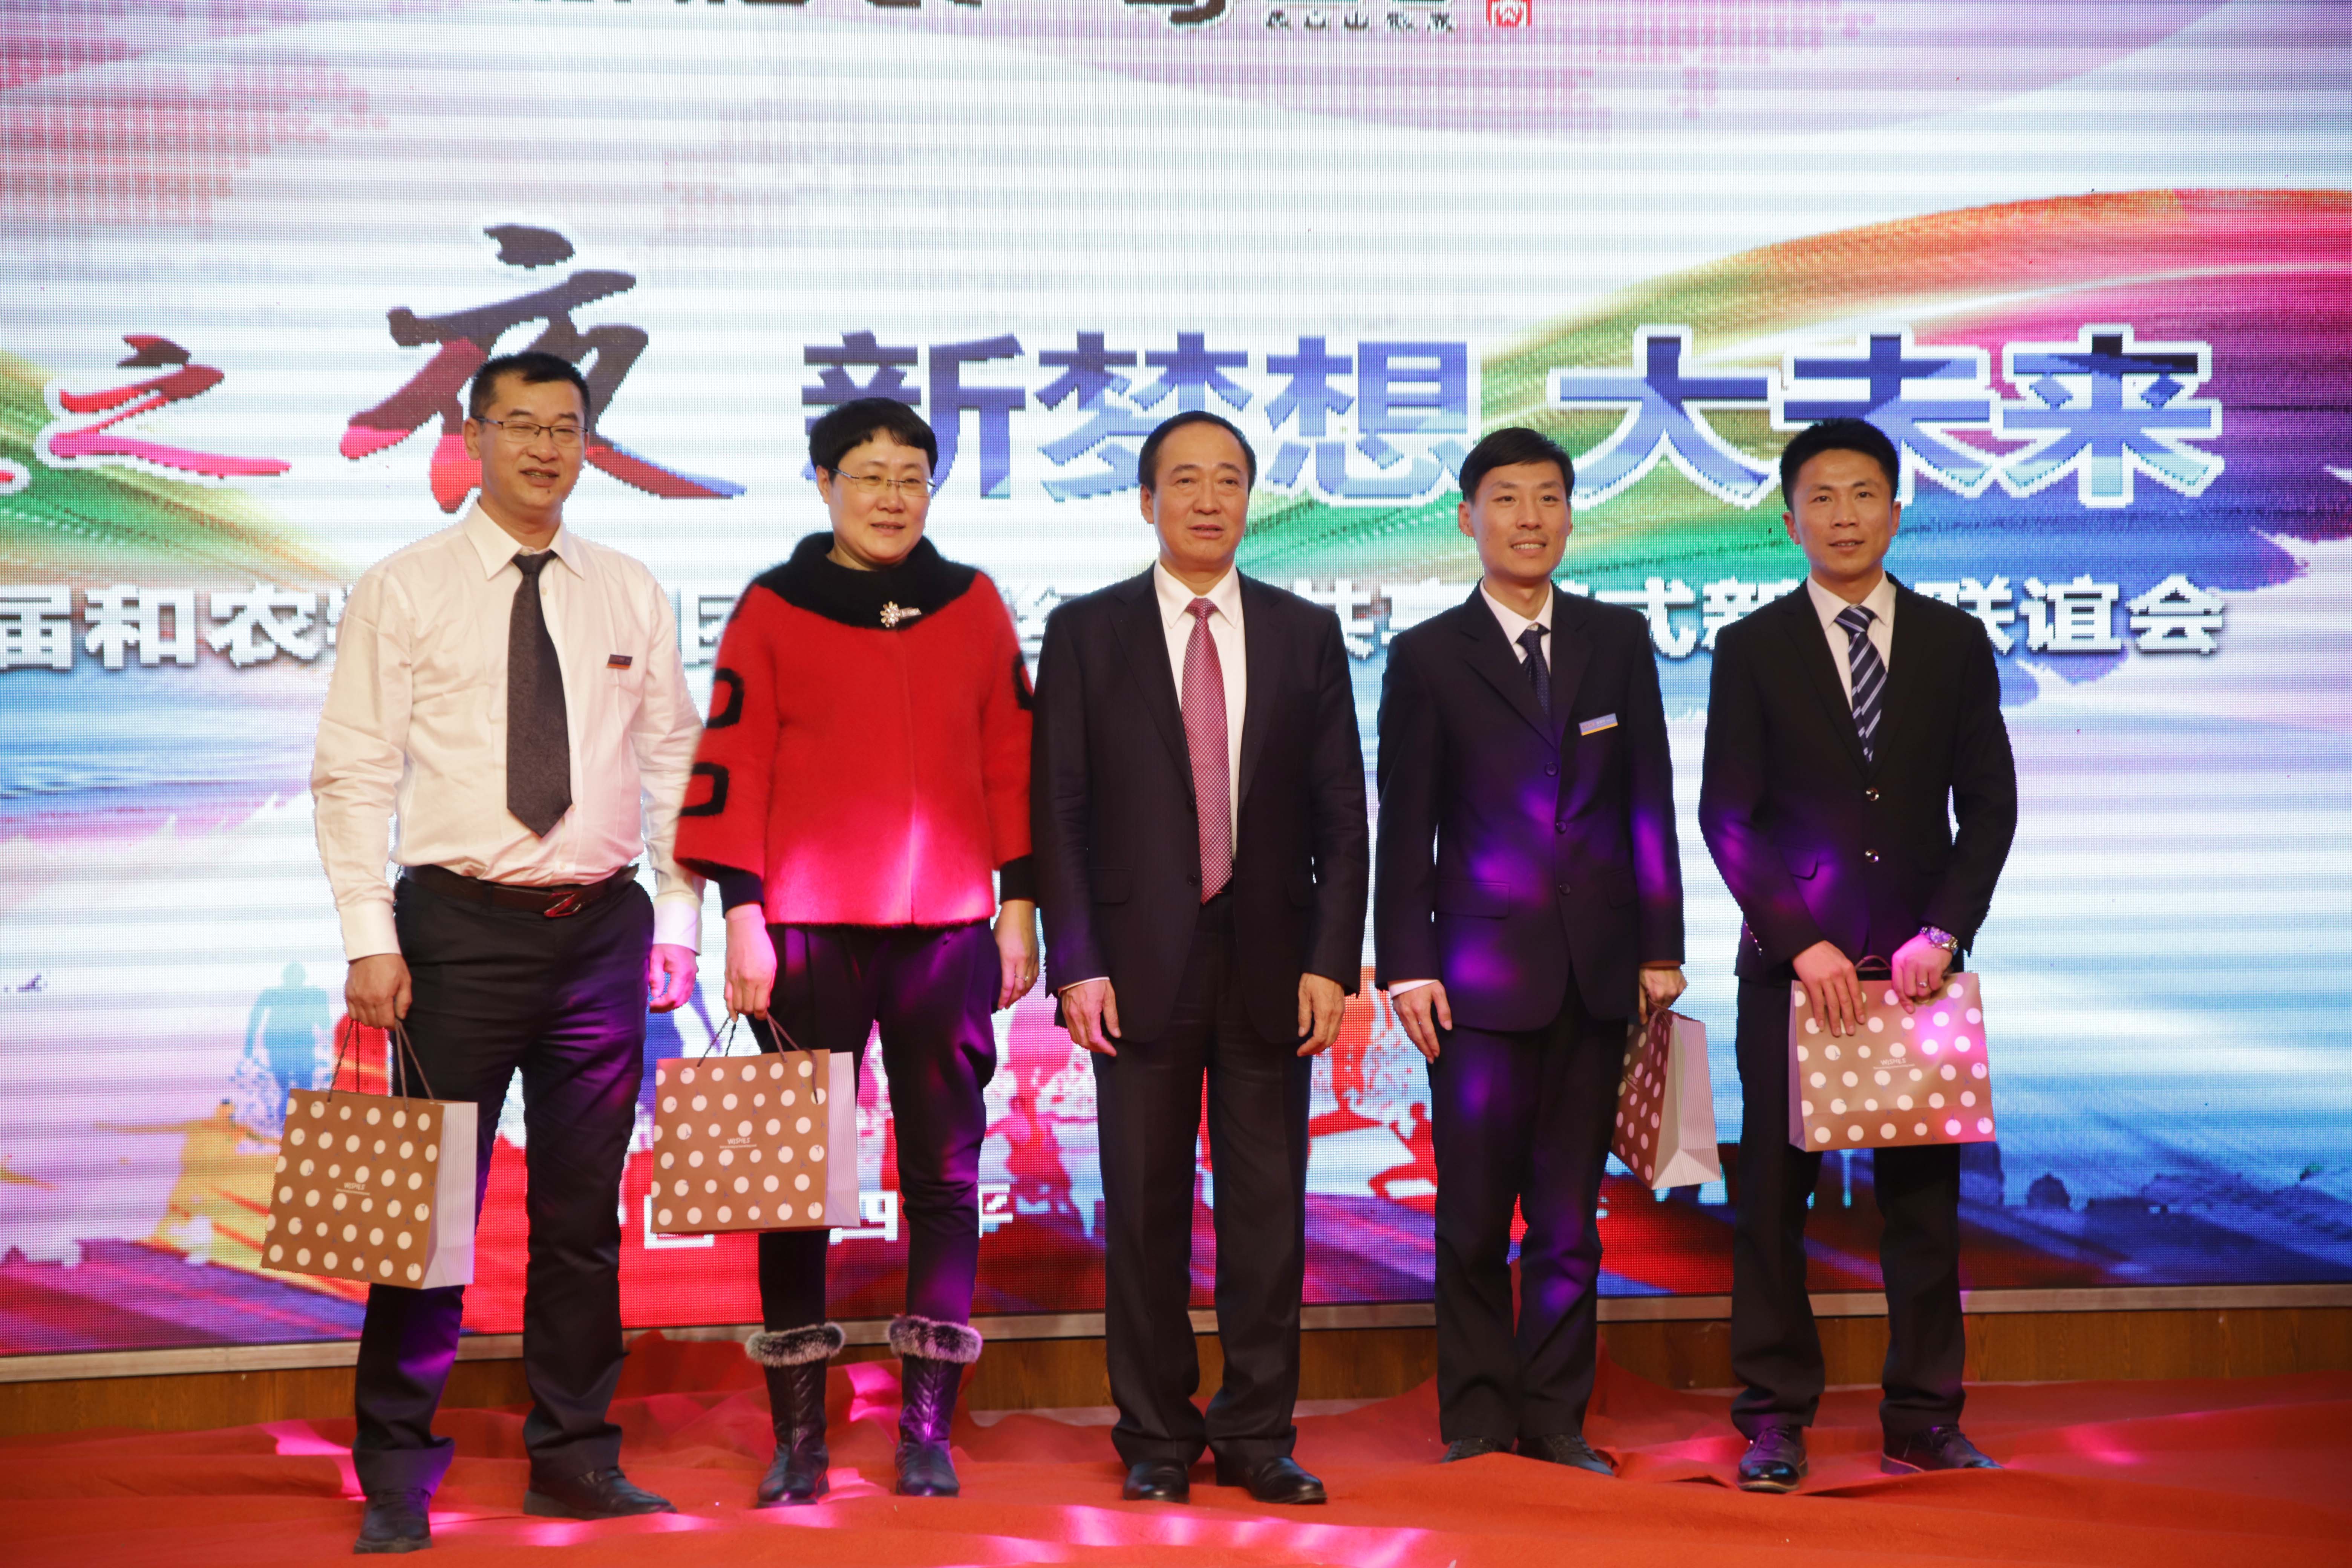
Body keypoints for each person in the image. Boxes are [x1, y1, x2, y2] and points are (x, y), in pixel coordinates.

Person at [313, 350, 704, 1553]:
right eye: (520, 425)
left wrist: (679, 917)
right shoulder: (406, 586)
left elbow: (674, 762)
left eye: (565, 427)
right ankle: (395, 1470)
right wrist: (369, 936)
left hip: (601, 935)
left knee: (583, 1220)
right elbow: (354, 770)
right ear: (473, 438)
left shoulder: (628, 588)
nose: (545, 447)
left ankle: (576, 1458)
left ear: (589, 444)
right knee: (427, 1213)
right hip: (455, 935)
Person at [675, 397, 1038, 1504]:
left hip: (945, 933)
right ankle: (800, 1441)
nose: (892, 497)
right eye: (869, 476)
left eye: (911, 477)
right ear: (825, 483)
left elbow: (1012, 757)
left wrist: (1020, 904)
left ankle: (926, 1430)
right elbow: (734, 758)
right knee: (796, 1183)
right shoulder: (775, 607)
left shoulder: (972, 604)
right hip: (805, 932)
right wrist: (741, 914)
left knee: (944, 1175)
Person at [1031, 411, 1369, 1507]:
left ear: (1251, 500)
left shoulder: (1304, 632)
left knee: (1269, 1216)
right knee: (1144, 1213)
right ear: (1147, 501)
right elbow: (1060, 809)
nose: (1209, 499)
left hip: (1273, 960)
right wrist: (1076, 962)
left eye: (1229, 480)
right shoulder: (1087, 632)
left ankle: (1260, 1434)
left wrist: (1333, 960)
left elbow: (1343, 810)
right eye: (1185, 480)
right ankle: (1156, 1439)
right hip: (1134, 967)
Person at [1698, 416, 2018, 1492]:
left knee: (1923, 1208)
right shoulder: (1751, 646)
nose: (1844, 516)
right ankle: (1773, 1419)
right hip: (1793, 979)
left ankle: (1923, 1417)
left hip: (1918, 978)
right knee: (1771, 1203)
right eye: (1822, 499)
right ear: (1790, 522)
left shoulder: (1954, 642)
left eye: (1864, 494)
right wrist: (1803, 944)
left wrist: (1944, 933)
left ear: (1897, 510)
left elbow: (1990, 808)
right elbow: (1727, 816)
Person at [1374, 426, 1686, 1475]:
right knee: (1471, 1218)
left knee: (1567, 1221)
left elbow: (1648, 802)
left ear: (1570, 513)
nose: (1529, 519)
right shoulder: (1428, 657)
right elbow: (1405, 827)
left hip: (1598, 978)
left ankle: (1556, 1417)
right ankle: (1475, 1418)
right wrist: (1407, 966)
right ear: (1468, 518)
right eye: (1506, 499)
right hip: (1473, 986)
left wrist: (1660, 943)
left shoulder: (1617, 640)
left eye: (1548, 497)